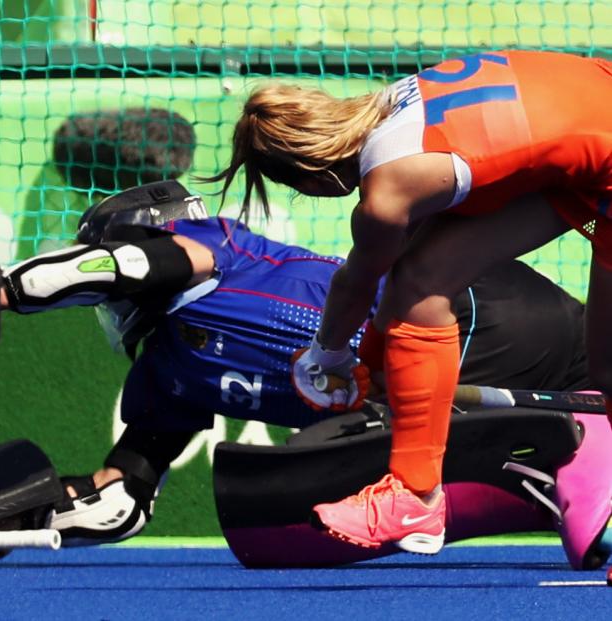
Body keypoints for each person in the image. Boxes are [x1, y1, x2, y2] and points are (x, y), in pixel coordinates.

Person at [0, 179, 593, 554]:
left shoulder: (219, 249)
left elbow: (130, 267)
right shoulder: (166, 375)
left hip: (477, 315)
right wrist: (9, 520)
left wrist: (0, 293)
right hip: (456, 386)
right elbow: (119, 503)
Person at [207, 50, 612, 554]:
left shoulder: (388, 190)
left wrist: (325, 356)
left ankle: (417, 496)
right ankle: (416, 494)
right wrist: (375, 364)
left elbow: (359, 282)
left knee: (606, 372)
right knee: (425, 279)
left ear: (310, 177)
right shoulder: (399, 107)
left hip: (602, 161)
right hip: (591, 140)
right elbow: (404, 278)